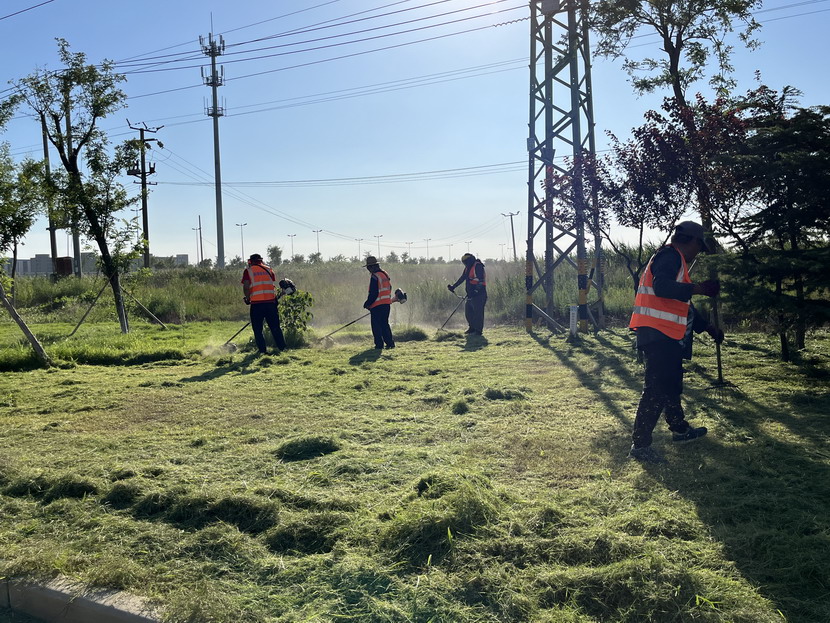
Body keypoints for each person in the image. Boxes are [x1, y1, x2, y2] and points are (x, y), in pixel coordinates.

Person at [628, 221, 725, 464]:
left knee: (670, 385)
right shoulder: (669, 256)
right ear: (691, 241)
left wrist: (707, 328)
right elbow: (662, 288)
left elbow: (682, 304)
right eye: (699, 247)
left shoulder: (676, 261)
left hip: (665, 334)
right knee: (656, 389)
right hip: (658, 334)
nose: (698, 253)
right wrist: (699, 288)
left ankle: (680, 429)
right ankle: (640, 445)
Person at [241, 253, 287, 354]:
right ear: (261, 261)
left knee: (258, 330)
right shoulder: (269, 270)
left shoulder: (248, 271)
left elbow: (246, 287)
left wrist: (248, 298)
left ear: (250, 261)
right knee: (275, 327)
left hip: (256, 304)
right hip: (271, 303)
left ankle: (262, 351)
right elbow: (270, 284)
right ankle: (283, 349)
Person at [447, 253, 487, 335]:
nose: (465, 264)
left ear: (470, 260)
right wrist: (453, 286)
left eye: (465, 262)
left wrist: (476, 291)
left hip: (479, 294)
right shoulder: (468, 268)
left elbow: (481, 280)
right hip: (470, 294)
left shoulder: (478, 266)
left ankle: (478, 331)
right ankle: (472, 328)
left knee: (478, 313)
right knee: (468, 312)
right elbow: (462, 278)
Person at [363, 256, 396, 350]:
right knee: (385, 324)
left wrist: (368, 303)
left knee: (376, 326)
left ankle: (379, 345)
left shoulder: (375, 276)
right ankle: (390, 343)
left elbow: (374, 292)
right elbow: (389, 288)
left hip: (377, 305)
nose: (368, 269)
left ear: (372, 267)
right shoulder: (385, 274)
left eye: (368, 267)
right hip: (386, 304)